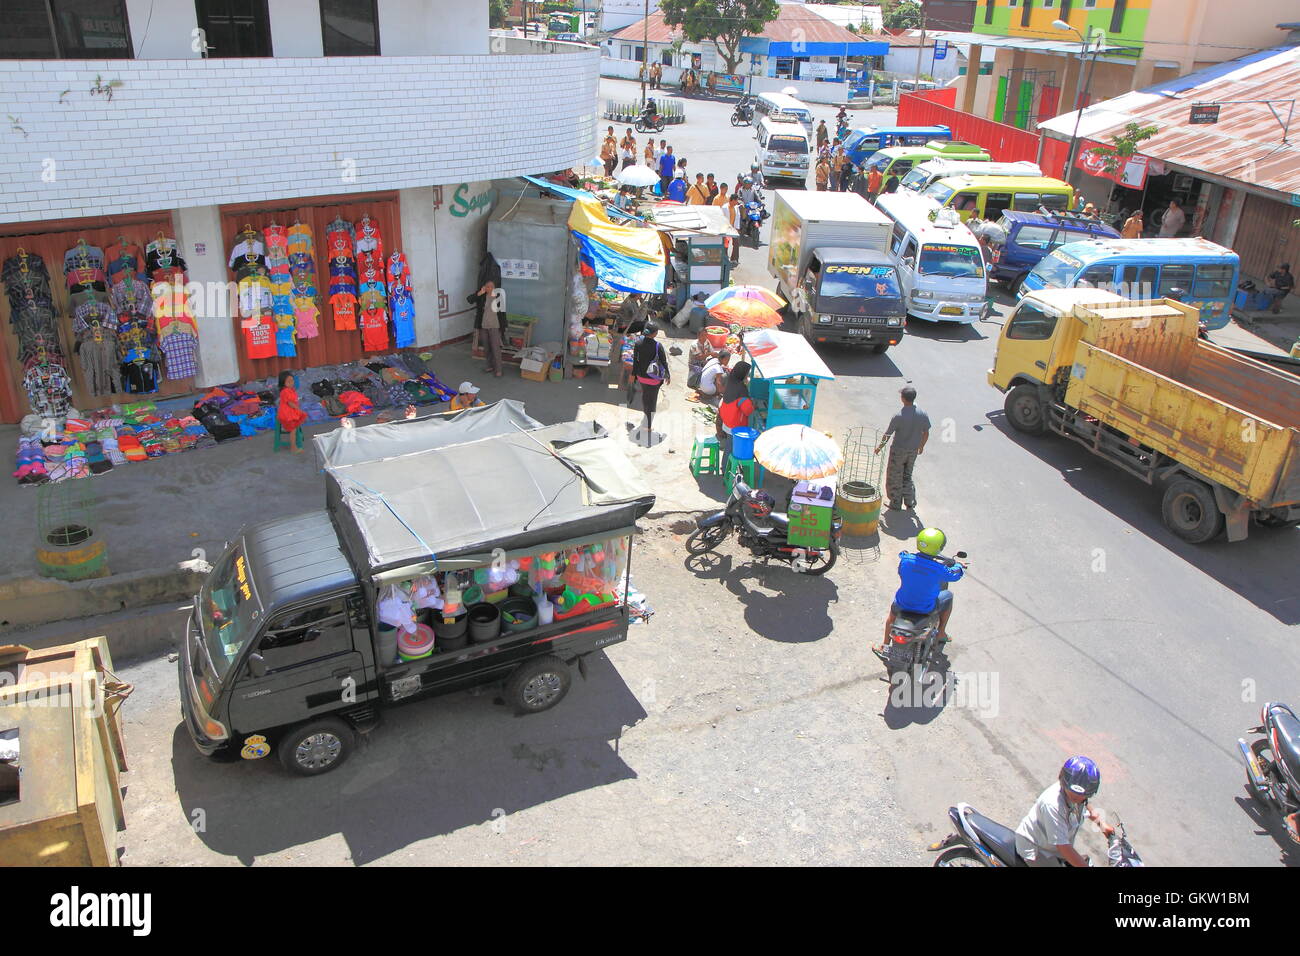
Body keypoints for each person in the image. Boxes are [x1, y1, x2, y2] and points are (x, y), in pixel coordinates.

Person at [878, 527, 964, 651]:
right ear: (939, 547)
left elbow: (901, 573)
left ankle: (885, 645)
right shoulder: (939, 569)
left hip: (902, 604)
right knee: (948, 595)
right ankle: (941, 633)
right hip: (925, 607)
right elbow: (955, 575)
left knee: (890, 619)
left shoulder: (906, 560)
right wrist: (959, 566)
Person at [1014, 757, 1108, 867]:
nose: (1077, 797)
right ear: (1063, 781)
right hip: (1035, 848)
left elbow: (1085, 804)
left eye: (1083, 795)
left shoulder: (1078, 797)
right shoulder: (1053, 804)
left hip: (1053, 849)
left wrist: (1102, 824)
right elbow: (1063, 847)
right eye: (1073, 792)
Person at [875, 386, 930, 511]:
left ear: (903, 399)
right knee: (907, 475)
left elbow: (888, 434)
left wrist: (879, 447)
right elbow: (926, 432)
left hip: (898, 451)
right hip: (913, 451)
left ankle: (895, 503)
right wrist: (921, 446)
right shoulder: (922, 414)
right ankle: (909, 502)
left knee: (894, 476)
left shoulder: (899, 416)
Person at [631, 322, 670, 444]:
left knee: (645, 395)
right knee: (652, 401)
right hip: (654, 379)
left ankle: (645, 415)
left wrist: (633, 375)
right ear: (655, 334)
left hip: (641, 377)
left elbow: (635, 362)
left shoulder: (638, 343)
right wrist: (668, 375)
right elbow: (664, 362)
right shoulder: (658, 345)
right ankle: (647, 426)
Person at [472, 251, 506, 377]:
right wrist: (478, 294)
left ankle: (499, 369)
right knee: (487, 348)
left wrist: (503, 327)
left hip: (495, 326)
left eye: (491, 286)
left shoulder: (499, 296)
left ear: (494, 286)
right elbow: (469, 300)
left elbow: (503, 313)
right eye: (487, 287)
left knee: (496, 348)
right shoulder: (482, 297)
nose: (489, 288)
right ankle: (489, 366)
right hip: (484, 326)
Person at [717, 361, 754, 457]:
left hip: (727, 421)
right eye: (746, 375)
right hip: (735, 425)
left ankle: (727, 466)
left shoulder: (731, 382)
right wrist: (753, 404)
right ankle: (725, 469)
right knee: (730, 450)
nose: (747, 377)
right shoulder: (741, 390)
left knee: (729, 447)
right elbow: (748, 410)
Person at [276, 370, 307, 452]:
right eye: (288, 381)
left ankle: (297, 432)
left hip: (290, 411)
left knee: (300, 418)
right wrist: (298, 408)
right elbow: (290, 403)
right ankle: (293, 447)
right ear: (283, 383)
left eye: (292, 380)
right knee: (293, 430)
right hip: (287, 414)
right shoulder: (285, 391)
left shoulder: (290, 390)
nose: (291, 383)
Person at [725, 192, 742, 265]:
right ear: (732, 200)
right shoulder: (724, 207)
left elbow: (737, 218)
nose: (737, 202)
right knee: (726, 244)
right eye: (736, 201)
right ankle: (725, 258)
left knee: (736, 243)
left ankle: (734, 258)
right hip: (726, 229)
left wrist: (737, 228)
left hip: (733, 229)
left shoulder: (736, 207)